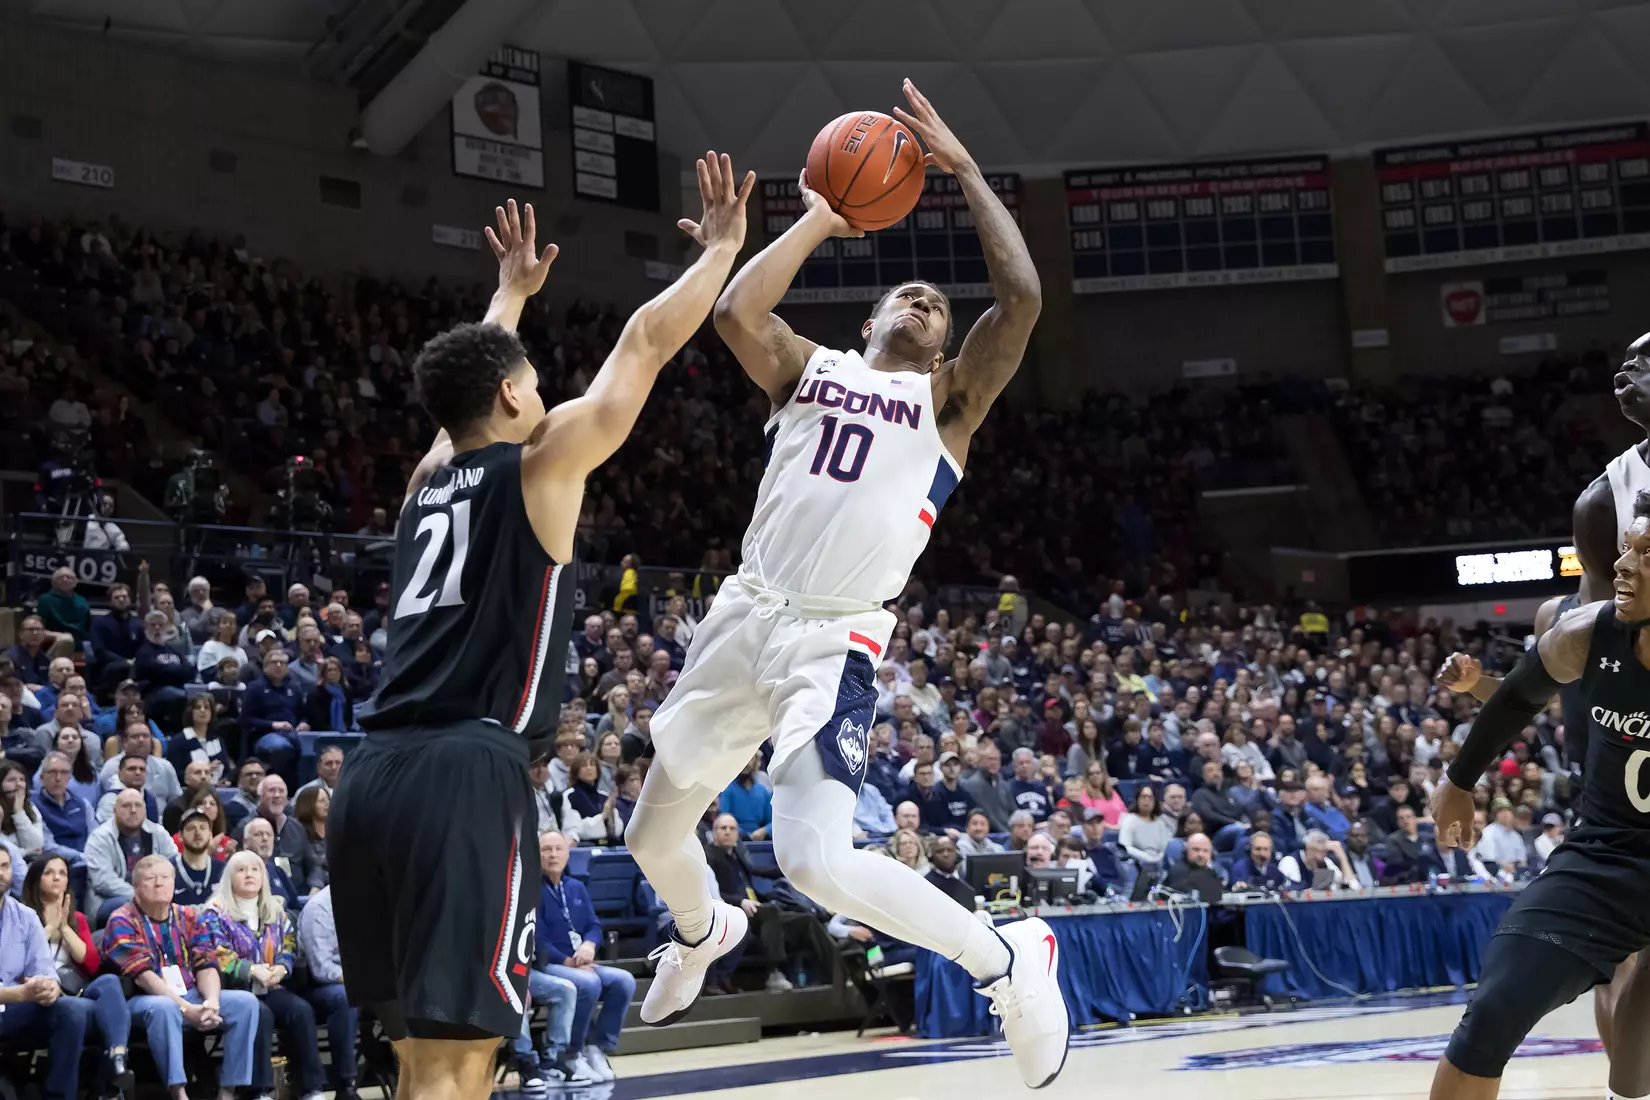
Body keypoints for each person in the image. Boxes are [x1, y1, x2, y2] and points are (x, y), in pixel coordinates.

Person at [626, 83, 1064, 1089]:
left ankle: (1007, 960)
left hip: (835, 639)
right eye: (908, 294)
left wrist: (964, 175)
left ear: (948, 347)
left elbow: (1026, 301)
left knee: (815, 859)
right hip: (744, 615)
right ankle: (701, 932)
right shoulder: (808, 368)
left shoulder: (949, 404)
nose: (925, 303)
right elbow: (738, 307)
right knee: (652, 831)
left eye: (941, 307)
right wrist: (825, 210)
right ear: (870, 315)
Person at [330, 171, 751, 1100]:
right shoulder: (542, 463)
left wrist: (509, 299)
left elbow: (463, 407)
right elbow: (643, 340)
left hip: (372, 778)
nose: (544, 394)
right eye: (531, 383)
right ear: (518, 400)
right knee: (459, 1063)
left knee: (413, 1060)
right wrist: (719, 252)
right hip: (462, 775)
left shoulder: (421, 486)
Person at [1428, 493, 1650, 1100]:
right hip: (1606, 850)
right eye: (1625, 549)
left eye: (1645, 553)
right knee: (1494, 1010)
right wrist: (1458, 780)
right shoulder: (1584, 628)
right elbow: (1519, 697)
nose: (1624, 564)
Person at [102, 856, 261, 1100]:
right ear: (136, 887)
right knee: (165, 1007)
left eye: (165, 878)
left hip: (192, 993)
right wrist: (187, 1009)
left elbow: (207, 964)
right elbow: (143, 976)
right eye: (150, 879)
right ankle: (179, 1092)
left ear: (174, 883)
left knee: (246, 1003)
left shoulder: (189, 916)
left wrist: (211, 1004)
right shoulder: (121, 919)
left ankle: (228, 1092)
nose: (159, 884)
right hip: (143, 998)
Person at [201, 850, 326, 1100]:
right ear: (229, 877)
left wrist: (282, 967)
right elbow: (216, 953)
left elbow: (289, 945)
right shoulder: (214, 912)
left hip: (270, 987)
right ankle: (261, 1092)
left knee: (300, 1010)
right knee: (261, 1014)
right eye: (242, 869)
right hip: (234, 992)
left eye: (255, 869)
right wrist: (250, 970)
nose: (249, 874)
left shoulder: (275, 911)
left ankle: (312, 1089)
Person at [20, 853, 135, 1092]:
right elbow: (21, 961)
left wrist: (64, 927)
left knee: (109, 982)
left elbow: (91, 965)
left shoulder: (77, 918)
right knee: (95, 1011)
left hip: (75, 989)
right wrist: (50, 927)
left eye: (62, 873)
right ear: (35, 878)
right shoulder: (21, 916)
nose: (57, 878)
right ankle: (109, 1088)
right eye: (49, 872)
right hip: (40, 989)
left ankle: (118, 1057)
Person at [533, 831, 635, 1082]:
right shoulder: (531, 890)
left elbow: (593, 925)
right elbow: (537, 938)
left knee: (624, 981)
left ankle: (597, 1047)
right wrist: (569, 962)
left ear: (568, 854)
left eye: (558, 849)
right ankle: (572, 1052)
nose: (553, 855)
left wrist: (589, 944)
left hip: (581, 961)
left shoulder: (576, 886)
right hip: (549, 964)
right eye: (546, 850)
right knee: (588, 983)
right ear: (536, 855)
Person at [0, 846, 98, 1100]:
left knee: (70, 1010)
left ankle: (58, 1095)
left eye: (4, 866)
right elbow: (20, 992)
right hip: (10, 1000)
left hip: (14, 1012)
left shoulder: (25, 917)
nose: (0, 873)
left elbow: (44, 970)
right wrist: (20, 994)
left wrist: (49, 988)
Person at [705, 813, 832, 994]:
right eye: (722, 828)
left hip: (758, 910)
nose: (727, 832)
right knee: (771, 910)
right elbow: (712, 893)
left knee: (806, 920)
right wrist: (740, 901)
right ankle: (774, 972)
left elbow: (754, 878)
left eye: (732, 828)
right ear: (714, 832)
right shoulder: (709, 856)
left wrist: (784, 877)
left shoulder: (737, 856)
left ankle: (834, 975)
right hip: (733, 912)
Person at [298, 886, 361, 1100]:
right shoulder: (319, 908)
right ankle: (346, 1084)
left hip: (364, 979)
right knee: (345, 997)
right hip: (317, 986)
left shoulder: (373, 900)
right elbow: (322, 969)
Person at [86, 787, 179, 924]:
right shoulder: (100, 838)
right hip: (110, 900)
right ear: (115, 811)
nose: (133, 810)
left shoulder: (158, 833)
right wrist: (142, 895)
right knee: (128, 905)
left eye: (138, 805)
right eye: (126, 806)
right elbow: (103, 881)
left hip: (154, 893)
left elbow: (175, 863)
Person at [172, 806, 226, 905]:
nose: (198, 832)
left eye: (203, 827)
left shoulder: (223, 869)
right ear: (180, 836)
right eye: (191, 828)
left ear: (210, 834)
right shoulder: (169, 869)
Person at [1278, 829, 1353, 890]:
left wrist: (1343, 858)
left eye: (1325, 844)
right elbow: (1292, 892)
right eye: (1319, 842)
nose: (1323, 848)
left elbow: (1352, 886)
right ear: (1307, 846)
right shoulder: (1290, 861)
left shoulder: (1326, 862)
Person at [1166, 832, 1226, 904]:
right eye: (1196, 849)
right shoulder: (1178, 870)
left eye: (1205, 851)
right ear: (1186, 850)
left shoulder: (1210, 870)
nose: (1201, 854)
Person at [925, 835, 976, 909]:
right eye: (940, 851)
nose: (946, 854)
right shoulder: (927, 883)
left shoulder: (966, 885)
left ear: (957, 854)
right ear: (931, 857)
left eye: (950, 850)